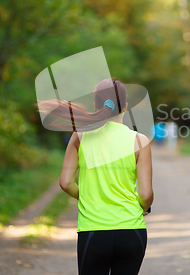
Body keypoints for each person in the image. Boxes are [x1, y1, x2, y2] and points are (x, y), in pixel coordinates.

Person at [55, 78, 153, 275]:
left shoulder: (80, 136)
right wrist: (143, 207)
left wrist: (86, 196)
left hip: (93, 232)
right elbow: (146, 193)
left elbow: (65, 183)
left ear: (95, 105)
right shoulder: (139, 141)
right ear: (125, 106)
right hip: (131, 231)